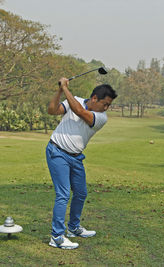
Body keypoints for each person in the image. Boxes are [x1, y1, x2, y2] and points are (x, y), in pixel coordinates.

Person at [46, 77, 117, 249]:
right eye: (105, 104)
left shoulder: (101, 117)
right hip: (57, 151)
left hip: (76, 157)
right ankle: (56, 236)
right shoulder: (74, 100)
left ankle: (73, 228)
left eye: (109, 105)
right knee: (63, 194)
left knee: (81, 193)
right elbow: (52, 110)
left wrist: (65, 88)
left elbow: (78, 111)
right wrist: (60, 90)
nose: (106, 108)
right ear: (94, 99)